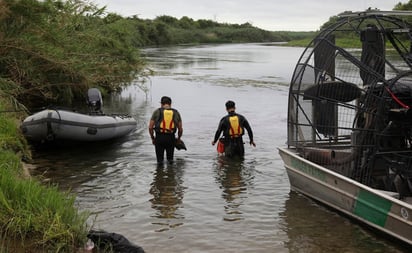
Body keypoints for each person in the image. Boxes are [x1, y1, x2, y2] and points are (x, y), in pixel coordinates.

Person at [149, 96, 183, 165]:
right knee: (170, 161)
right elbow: (180, 129)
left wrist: (153, 138)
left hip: (159, 138)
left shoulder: (157, 111)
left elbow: (150, 127)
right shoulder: (176, 113)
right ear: (170, 104)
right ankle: (170, 174)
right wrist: (179, 139)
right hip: (171, 138)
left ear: (161, 104)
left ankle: (159, 174)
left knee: (159, 162)